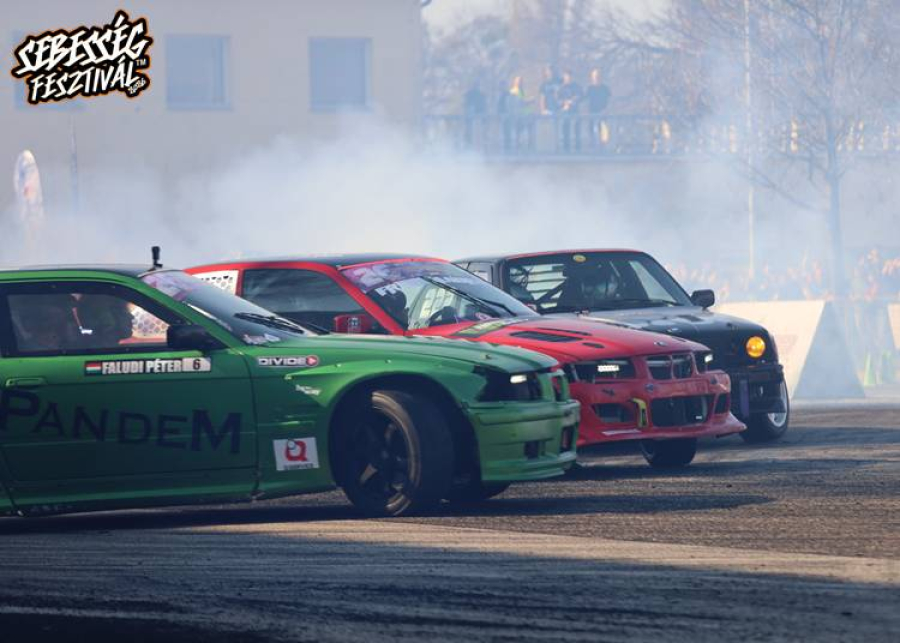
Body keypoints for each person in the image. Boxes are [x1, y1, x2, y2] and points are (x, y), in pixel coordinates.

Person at [584, 68, 612, 149]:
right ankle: (592, 145)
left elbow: (610, 100)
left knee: (603, 130)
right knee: (591, 129)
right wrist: (586, 111)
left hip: (603, 113)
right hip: (591, 113)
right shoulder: (589, 88)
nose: (596, 78)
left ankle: (603, 146)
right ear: (592, 77)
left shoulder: (605, 88)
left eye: (598, 76)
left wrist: (606, 110)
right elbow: (585, 101)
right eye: (595, 76)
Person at [557, 70, 583, 152]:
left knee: (577, 129)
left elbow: (581, 96)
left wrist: (573, 101)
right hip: (565, 111)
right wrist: (565, 103)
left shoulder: (577, 87)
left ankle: (578, 147)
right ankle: (566, 147)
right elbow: (557, 100)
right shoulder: (560, 88)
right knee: (566, 128)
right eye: (567, 77)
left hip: (575, 111)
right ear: (564, 78)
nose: (568, 79)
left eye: (570, 77)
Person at [463, 80, 487, 147]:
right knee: (469, 132)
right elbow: (465, 105)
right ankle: (468, 145)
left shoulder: (481, 95)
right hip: (470, 118)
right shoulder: (469, 94)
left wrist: (484, 118)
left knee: (477, 133)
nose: (476, 86)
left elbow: (484, 107)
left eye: (477, 85)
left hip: (478, 118)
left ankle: (475, 145)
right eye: (475, 85)